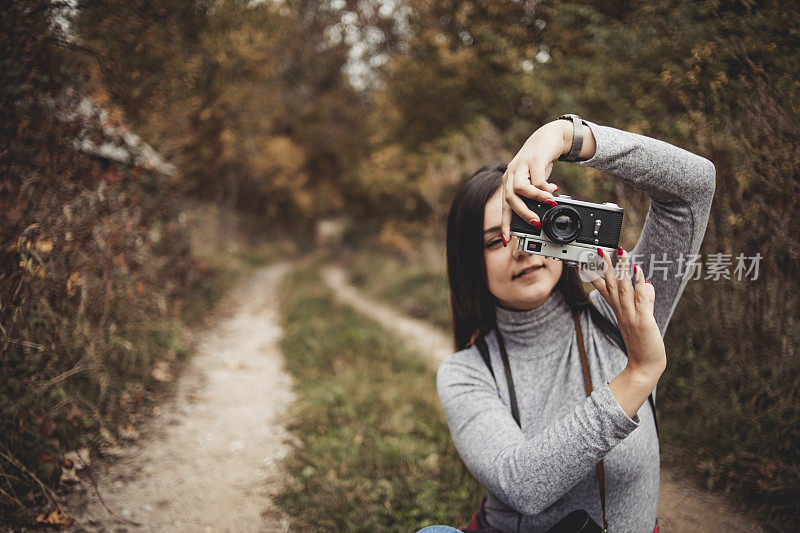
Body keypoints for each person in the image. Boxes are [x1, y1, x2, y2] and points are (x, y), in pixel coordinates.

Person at [432, 116, 716, 532]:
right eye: (496, 240)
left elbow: (694, 185)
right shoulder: (466, 372)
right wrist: (638, 374)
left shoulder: (622, 315)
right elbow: (522, 484)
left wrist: (566, 136)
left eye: (531, 226)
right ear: (470, 263)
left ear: (564, 227)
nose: (521, 251)